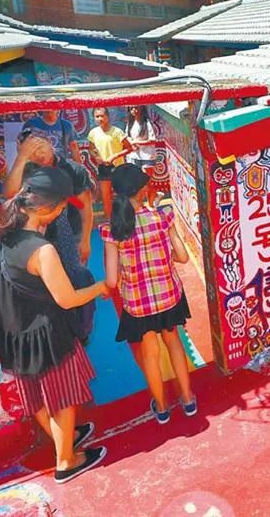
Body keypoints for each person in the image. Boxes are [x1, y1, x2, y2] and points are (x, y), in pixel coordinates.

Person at [0, 167, 109, 483]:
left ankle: (65, 438)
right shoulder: (43, 250)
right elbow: (67, 299)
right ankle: (66, 460)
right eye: (61, 207)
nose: (62, 212)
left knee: (38, 397)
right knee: (62, 398)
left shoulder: (2, 229)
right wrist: (99, 288)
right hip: (47, 335)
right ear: (44, 209)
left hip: (15, 333)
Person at [100, 165, 196, 424]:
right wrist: (164, 257)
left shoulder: (111, 230)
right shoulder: (163, 217)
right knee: (174, 342)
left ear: (116, 192)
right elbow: (183, 257)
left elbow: (111, 280)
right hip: (168, 297)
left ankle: (162, 407)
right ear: (143, 190)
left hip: (138, 304)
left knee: (150, 353)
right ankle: (188, 399)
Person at [4, 131, 97, 343]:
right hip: (39, 240)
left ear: (50, 143)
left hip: (71, 236)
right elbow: (8, 194)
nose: (40, 154)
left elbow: (85, 207)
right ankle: (62, 329)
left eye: (42, 147)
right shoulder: (27, 171)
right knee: (49, 287)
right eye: (33, 150)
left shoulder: (73, 169)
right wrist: (21, 158)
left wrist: (85, 240)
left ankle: (82, 330)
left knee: (77, 280)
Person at [87, 108, 133, 219]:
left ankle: (125, 219)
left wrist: (115, 156)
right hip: (103, 168)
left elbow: (129, 148)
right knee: (105, 196)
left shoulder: (117, 132)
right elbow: (91, 149)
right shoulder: (93, 133)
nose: (100, 119)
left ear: (108, 116)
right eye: (97, 116)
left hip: (118, 168)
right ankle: (109, 220)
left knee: (122, 195)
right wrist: (96, 157)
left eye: (102, 116)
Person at [126, 106, 159, 207]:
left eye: (136, 108)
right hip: (134, 155)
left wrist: (138, 143)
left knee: (146, 182)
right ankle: (145, 201)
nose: (134, 110)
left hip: (147, 156)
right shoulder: (130, 123)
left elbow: (153, 140)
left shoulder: (147, 123)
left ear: (141, 109)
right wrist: (132, 143)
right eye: (131, 108)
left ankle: (151, 203)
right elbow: (127, 137)